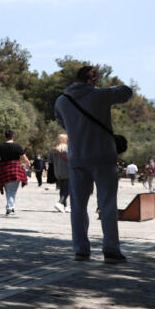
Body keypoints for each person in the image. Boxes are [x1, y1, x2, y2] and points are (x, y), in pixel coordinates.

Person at [54, 65, 133, 264]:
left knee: (78, 206)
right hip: (103, 156)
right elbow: (127, 92)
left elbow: (62, 123)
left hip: (77, 158)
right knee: (107, 204)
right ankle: (111, 249)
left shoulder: (62, 101)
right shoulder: (100, 95)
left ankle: (81, 249)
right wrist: (109, 87)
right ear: (94, 79)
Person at [0, 129, 29, 215]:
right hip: (16, 169)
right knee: (12, 190)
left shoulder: (0, 147)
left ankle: (10, 206)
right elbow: (25, 159)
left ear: (5, 136)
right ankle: (10, 207)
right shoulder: (17, 146)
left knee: (8, 189)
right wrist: (28, 166)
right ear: (13, 136)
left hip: (4, 170)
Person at [50, 134, 71, 213]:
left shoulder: (53, 150)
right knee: (67, 189)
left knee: (62, 189)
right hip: (67, 172)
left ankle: (65, 206)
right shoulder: (67, 149)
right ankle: (59, 203)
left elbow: (50, 161)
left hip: (58, 172)